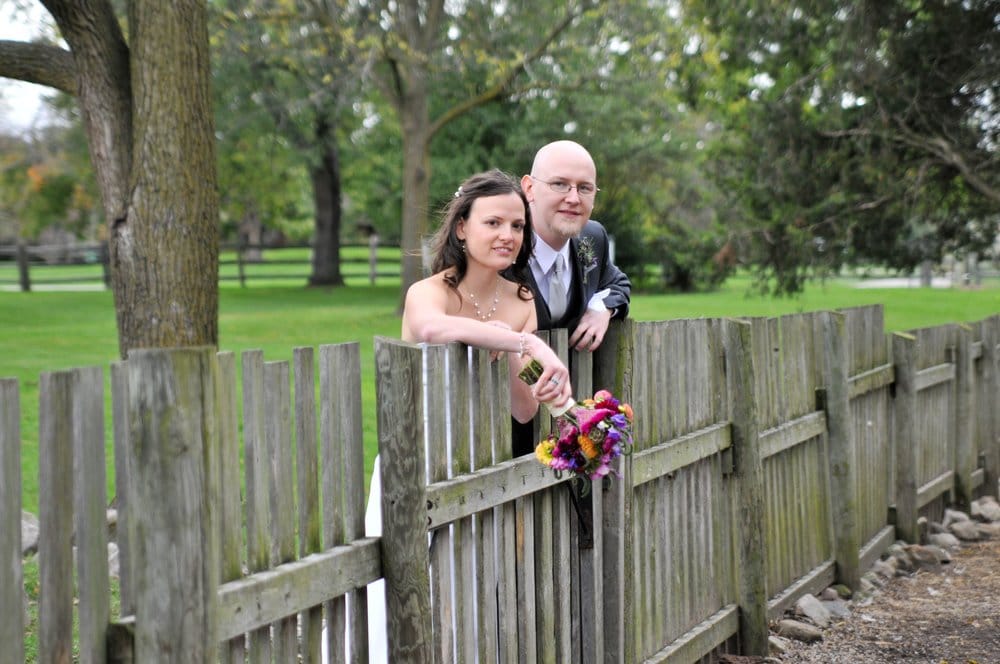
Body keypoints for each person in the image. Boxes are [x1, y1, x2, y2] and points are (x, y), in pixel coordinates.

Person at [334, 170, 574, 664]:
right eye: (493, 223)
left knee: (465, 591)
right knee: (398, 588)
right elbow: (429, 328)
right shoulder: (430, 290)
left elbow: (522, 407)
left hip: (478, 462)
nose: (507, 235)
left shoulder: (522, 301)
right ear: (462, 228)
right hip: (417, 458)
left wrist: (539, 377)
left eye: (517, 225)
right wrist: (521, 341)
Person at [511, 140, 632, 456]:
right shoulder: (501, 243)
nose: (573, 198)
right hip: (497, 429)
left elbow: (617, 282)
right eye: (559, 184)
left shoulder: (592, 237)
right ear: (529, 188)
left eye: (585, 188)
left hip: (568, 438)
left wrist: (601, 307)